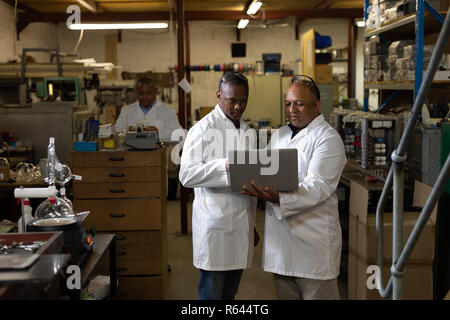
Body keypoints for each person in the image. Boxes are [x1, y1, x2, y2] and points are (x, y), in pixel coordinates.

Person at [242, 75, 347, 300]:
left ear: (317, 105)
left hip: (313, 250)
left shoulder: (327, 139)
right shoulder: (280, 135)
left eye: (298, 103)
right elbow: (265, 172)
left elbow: (317, 186)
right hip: (281, 250)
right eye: (288, 103)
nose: (292, 109)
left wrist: (279, 197)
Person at [179, 72, 257, 300]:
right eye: (232, 100)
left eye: (243, 100)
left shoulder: (248, 132)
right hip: (215, 226)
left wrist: (251, 225)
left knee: (230, 295)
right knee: (212, 295)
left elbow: (249, 181)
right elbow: (186, 175)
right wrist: (225, 167)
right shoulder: (202, 130)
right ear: (219, 96)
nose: (238, 106)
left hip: (241, 225)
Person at [114, 77, 181, 142]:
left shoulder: (168, 111)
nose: (145, 97)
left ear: (155, 91)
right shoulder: (126, 110)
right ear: (136, 93)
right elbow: (116, 131)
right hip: (132, 152)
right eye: (141, 93)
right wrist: (128, 131)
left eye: (148, 93)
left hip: (158, 152)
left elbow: (178, 134)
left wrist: (158, 132)